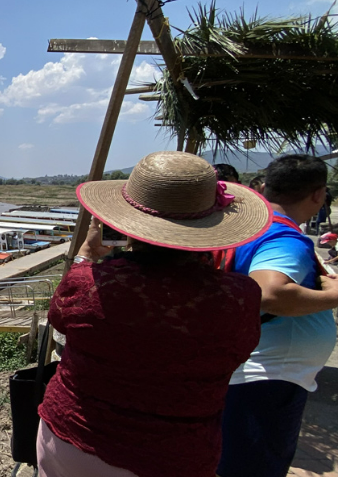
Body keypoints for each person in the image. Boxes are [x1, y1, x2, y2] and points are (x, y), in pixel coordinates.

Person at [38, 151, 271, 477]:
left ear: (125, 223)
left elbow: (60, 318)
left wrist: (86, 255)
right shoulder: (239, 298)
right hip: (170, 457)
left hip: (69, 438)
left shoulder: (88, 283)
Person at [218, 154, 338, 477]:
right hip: (268, 376)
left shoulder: (250, 228)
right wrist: (334, 295)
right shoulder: (282, 237)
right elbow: (268, 293)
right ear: (318, 194)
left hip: (253, 370)